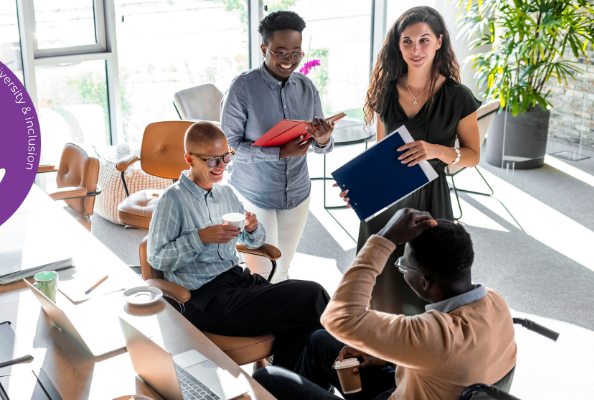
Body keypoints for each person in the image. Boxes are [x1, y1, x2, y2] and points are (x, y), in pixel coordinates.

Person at [253, 208, 517, 399]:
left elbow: (339, 316)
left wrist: (385, 238)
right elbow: (440, 360)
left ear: (425, 282)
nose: (400, 268)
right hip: (416, 388)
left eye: (403, 266)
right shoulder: (495, 302)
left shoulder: (433, 334)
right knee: (319, 342)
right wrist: (381, 352)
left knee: (268, 378)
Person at [147, 121, 330, 370]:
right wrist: (200, 238)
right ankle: (355, 363)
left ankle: (283, 388)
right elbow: (156, 258)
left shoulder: (226, 194)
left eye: (226, 156)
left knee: (304, 323)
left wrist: (252, 229)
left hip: (239, 283)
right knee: (313, 295)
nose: (222, 165)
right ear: (189, 159)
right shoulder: (172, 200)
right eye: (213, 160)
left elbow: (248, 240)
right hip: (205, 300)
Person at [339, 6, 482, 315]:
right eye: (407, 41)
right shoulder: (385, 92)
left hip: (430, 198)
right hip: (387, 201)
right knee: (381, 286)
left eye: (424, 40)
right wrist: (360, 188)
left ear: (439, 42)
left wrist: (437, 150)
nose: (416, 50)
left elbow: (472, 156)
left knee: (429, 281)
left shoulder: (458, 96)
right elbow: (379, 153)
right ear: (398, 44)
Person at [221, 10, 336, 283]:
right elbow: (229, 147)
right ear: (264, 49)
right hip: (253, 192)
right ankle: (253, 322)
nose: (289, 61)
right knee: (261, 272)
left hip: (296, 192)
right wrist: (279, 152)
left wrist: (322, 138)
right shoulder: (242, 88)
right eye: (281, 52)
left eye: (296, 53)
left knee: (282, 267)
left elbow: (323, 147)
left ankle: (277, 322)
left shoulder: (307, 88)